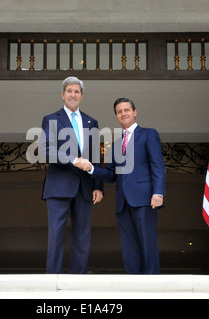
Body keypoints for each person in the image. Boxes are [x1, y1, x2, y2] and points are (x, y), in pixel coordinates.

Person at [75, 98, 166, 274]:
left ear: (135, 112)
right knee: (129, 246)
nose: (123, 114)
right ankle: (134, 282)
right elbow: (111, 175)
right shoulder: (114, 145)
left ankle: (153, 282)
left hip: (145, 199)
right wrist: (91, 168)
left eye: (126, 110)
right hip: (123, 202)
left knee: (148, 243)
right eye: (119, 111)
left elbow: (157, 166)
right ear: (116, 116)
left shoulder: (149, 134)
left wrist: (158, 193)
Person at [39, 76, 104, 274]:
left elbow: (95, 156)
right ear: (63, 95)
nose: (73, 94)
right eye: (69, 91)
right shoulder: (51, 119)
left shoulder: (91, 122)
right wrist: (73, 160)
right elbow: (45, 150)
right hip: (59, 185)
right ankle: (53, 280)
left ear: (81, 96)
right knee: (56, 236)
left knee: (83, 238)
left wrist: (98, 186)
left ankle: (78, 280)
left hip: (85, 188)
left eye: (77, 91)